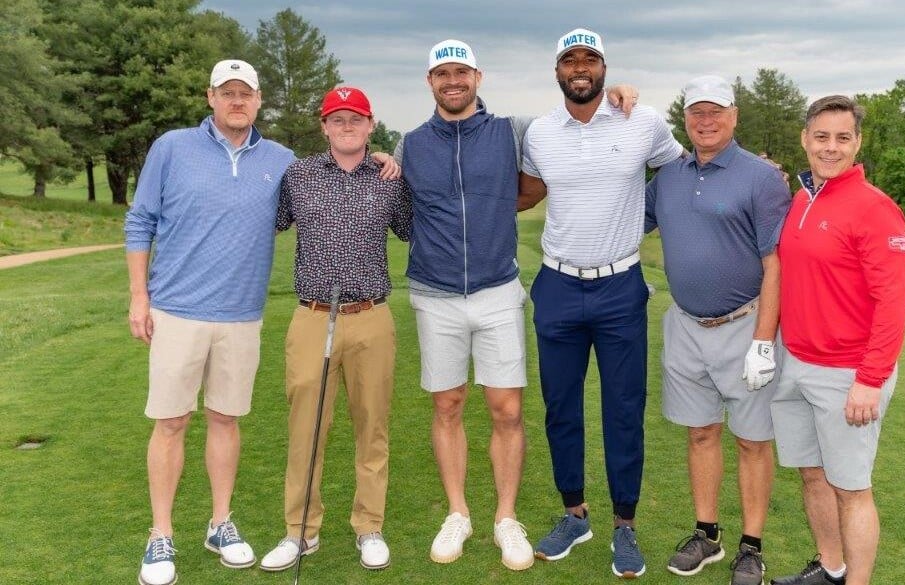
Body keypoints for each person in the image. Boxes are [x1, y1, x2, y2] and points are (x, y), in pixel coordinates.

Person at [396, 38, 640, 572]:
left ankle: (506, 517)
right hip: (434, 293)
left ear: (478, 77)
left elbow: (574, 116)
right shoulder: (410, 143)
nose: (453, 81)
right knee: (448, 405)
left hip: (498, 289)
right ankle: (458, 513)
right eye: (443, 73)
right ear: (430, 82)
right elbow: (394, 200)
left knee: (506, 408)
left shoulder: (514, 131)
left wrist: (618, 93)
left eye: (462, 71)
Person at [518, 28, 685, 579]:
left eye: (591, 59)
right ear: (558, 70)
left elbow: (684, 172)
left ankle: (624, 526)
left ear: (606, 69)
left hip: (621, 287)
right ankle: (575, 515)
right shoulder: (539, 133)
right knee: (561, 409)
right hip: (559, 285)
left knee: (623, 411)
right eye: (571, 59)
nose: (581, 67)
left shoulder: (644, 120)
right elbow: (520, 190)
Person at [125, 59, 295, 585]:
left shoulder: (282, 160)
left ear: (259, 100)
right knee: (172, 421)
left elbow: (332, 179)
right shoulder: (172, 147)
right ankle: (160, 534)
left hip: (242, 315)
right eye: (227, 92)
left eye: (246, 93)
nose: (237, 100)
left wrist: (381, 158)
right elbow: (141, 220)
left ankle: (220, 523)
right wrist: (139, 297)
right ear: (210, 97)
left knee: (225, 418)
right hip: (176, 310)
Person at [644, 74, 791, 585]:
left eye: (715, 112)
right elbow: (622, 222)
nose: (705, 121)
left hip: (745, 324)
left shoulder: (761, 176)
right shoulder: (669, 175)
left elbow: (776, 263)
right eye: (695, 113)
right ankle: (706, 534)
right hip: (685, 325)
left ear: (734, 116)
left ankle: (751, 548)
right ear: (683, 119)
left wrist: (763, 341)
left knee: (752, 440)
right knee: (701, 432)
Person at [258, 86, 411, 573]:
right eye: (337, 120)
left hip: (372, 317)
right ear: (324, 127)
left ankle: (369, 526)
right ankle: (300, 532)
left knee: (373, 427)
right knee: (306, 428)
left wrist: (397, 164)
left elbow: (410, 229)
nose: (346, 127)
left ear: (370, 126)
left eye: (356, 120)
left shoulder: (389, 178)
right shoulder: (298, 176)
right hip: (311, 316)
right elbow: (268, 222)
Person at [769, 95, 905, 585]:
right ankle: (830, 568)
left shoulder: (876, 209)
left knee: (852, 489)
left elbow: (893, 304)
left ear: (857, 143)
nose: (831, 147)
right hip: (796, 363)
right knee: (812, 474)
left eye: (842, 138)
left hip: (850, 373)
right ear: (806, 139)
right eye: (822, 137)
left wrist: (870, 380)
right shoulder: (803, 197)